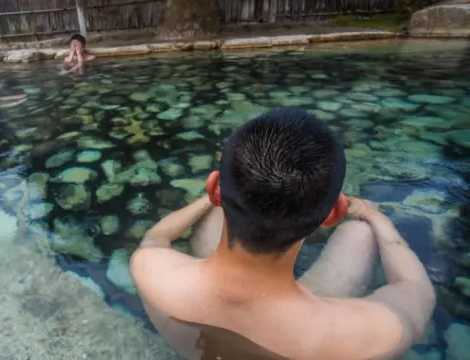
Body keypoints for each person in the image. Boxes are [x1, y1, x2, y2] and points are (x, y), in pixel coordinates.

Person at [130, 108, 436, 360]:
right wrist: (374, 215)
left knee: (220, 214)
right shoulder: (377, 337)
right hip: (309, 326)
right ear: (333, 213)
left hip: (195, 294)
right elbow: (416, 288)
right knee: (360, 232)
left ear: (214, 187)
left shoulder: (149, 268)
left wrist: (219, 196)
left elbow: (157, 236)